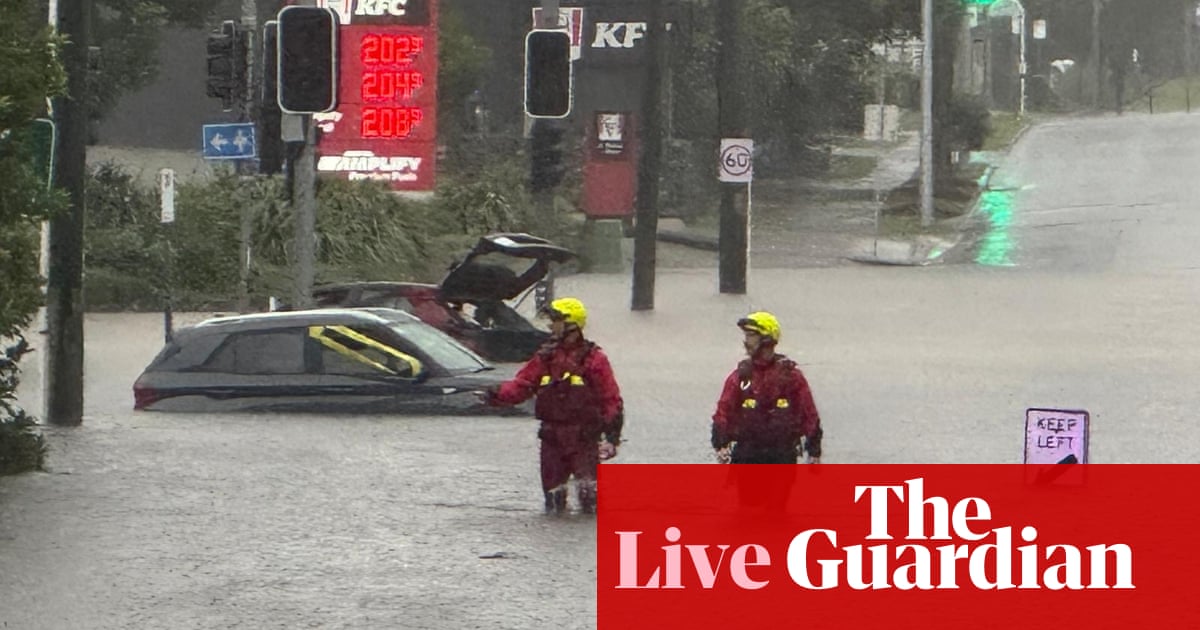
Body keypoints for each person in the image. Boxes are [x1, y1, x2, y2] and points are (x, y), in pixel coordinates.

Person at [480, 297, 624, 514]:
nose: (550, 325)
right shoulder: (545, 358)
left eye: (555, 320)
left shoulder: (594, 360)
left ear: (571, 325)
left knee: (589, 502)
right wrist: (494, 395)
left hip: (584, 438)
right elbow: (522, 386)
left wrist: (612, 439)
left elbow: (611, 400)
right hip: (552, 438)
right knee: (553, 500)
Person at [711, 311, 823, 466]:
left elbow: (809, 413)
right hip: (746, 456)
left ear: (767, 339)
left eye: (751, 336)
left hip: (782, 456)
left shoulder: (791, 377)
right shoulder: (741, 377)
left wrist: (814, 450)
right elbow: (723, 411)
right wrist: (720, 444)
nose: (746, 341)